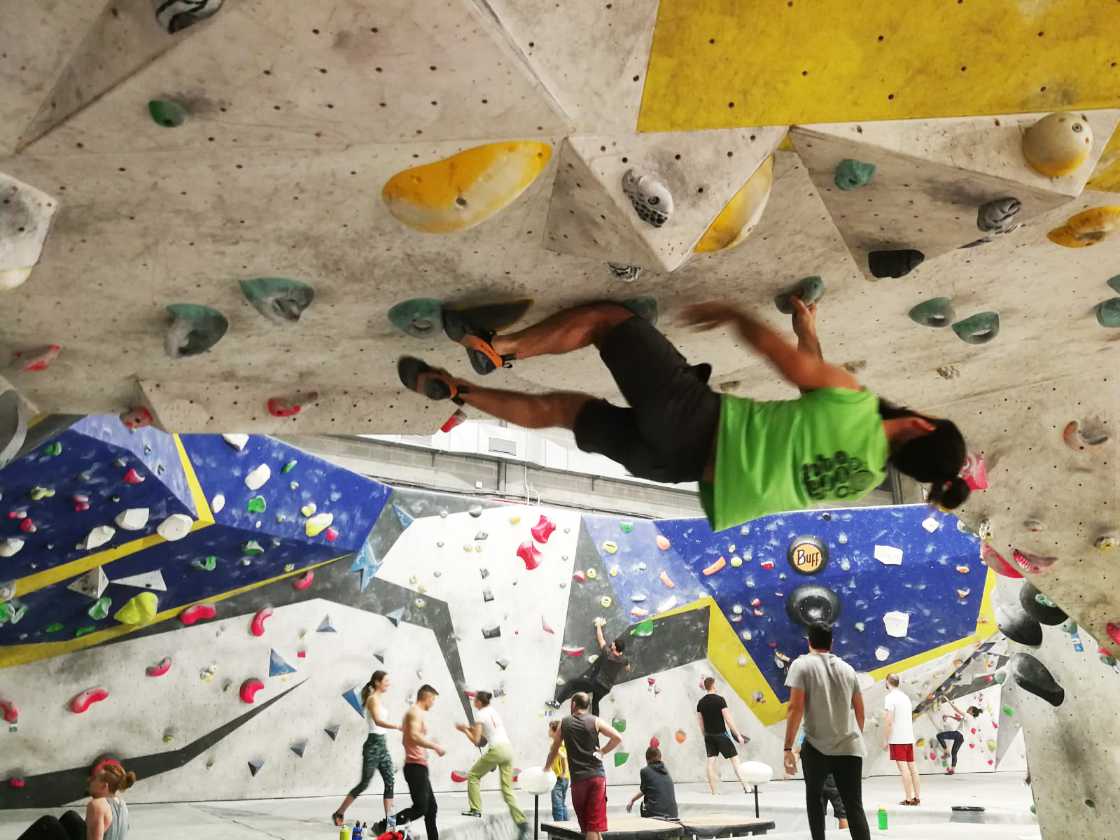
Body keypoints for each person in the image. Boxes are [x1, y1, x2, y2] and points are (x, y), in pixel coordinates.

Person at [397, 299, 970, 531]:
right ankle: (457, 392)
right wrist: (808, 329)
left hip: (695, 421)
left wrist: (731, 313)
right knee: (565, 412)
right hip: (676, 467)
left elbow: (784, 362)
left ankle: (504, 348)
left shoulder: (852, 405)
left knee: (609, 321)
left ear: (923, 424)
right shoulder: (861, 476)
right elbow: (819, 398)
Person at [783, 622, 870, 840]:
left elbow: (795, 708)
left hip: (816, 747)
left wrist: (788, 747)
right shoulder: (848, 670)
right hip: (849, 747)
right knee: (854, 806)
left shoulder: (801, 666)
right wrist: (853, 735)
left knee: (814, 801)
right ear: (832, 642)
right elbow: (860, 711)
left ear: (809, 641)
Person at [543, 692, 623, 840]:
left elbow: (554, 749)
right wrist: (603, 751)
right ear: (588, 706)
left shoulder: (565, 722)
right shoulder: (595, 721)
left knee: (590, 826)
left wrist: (546, 768)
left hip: (579, 781)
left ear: (573, 704)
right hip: (597, 778)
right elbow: (617, 737)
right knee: (593, 825)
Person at [374, 684, 445, 839]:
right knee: (420, 808)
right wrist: (434, 746)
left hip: (420, 766)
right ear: (427, 697)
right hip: (414, 767)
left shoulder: (417, 713)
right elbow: (413, 736)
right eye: (433, 699)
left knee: (431, 809)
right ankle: (382, 825)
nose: (433, 703)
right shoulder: (414, 713)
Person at [456, 691, 529, 839]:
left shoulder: (480, 714)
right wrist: (470, 728)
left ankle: (475, 809)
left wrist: (464, 730)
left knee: (473, 775)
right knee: (507, 789)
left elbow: (478, 741)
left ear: (479, 702)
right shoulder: (493, 711)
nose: (473, 702)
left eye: (474, 700)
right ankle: (521, 821)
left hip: (497, 750)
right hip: (508, 749)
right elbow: (488, 732)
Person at [334, 670, 399, 826]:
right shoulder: (372, 700)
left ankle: (390, 823)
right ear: (377, 682)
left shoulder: (379, 699)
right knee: (364, 783)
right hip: (372, 747)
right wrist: (398, 726)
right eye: (386, 681)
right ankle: (339, 812)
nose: (388, 684)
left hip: (382, 745)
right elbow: (377, 721)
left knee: (390, 781)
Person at [19, 761, 135, 840]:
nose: (89, 780)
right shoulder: (122, 804)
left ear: (104, 786)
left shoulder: (97, 805)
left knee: (48, 823)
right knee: (71, 817)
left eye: (94, 779)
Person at [554, 618, 630, 716]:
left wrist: (598, 625)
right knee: (595, 703)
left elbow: (600, 638)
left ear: (615, 647)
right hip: (606, 688)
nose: (612, 644)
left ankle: (557, 702)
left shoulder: (607, 653)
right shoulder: (624, 660)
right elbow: (627, 668)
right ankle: (596, 726)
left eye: (613, 644)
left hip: (596, 683)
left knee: (572, 683)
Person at [695, 676, 753, 795]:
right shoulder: (720, 700)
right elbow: (728, 719)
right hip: (721, 735)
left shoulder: (700, 703)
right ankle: (747, 788)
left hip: (709, 736)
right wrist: (738, 735)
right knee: (736, 761)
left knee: (711, 763)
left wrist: (704, 735)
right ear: (713, 686)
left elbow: (700, 723)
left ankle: (714, 791)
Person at [792, 731, 848, 831]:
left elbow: (797, 751)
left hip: (815, 780)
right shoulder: (834, 729)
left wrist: (792, 763)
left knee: (818, 816)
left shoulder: (807, 732)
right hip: (834, 780)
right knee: (842, 815)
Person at [882, 673, 919, 805]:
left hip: (897, 739)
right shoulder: (905, 697)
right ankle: (917, 797)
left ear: (887, 682)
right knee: (913, 768)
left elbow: (888, 721)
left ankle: (908, 799)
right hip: (909, 737)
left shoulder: (890, 698)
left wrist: (886, 740)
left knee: (904, 770)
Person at [626, 747, 678, 820]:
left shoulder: (645, 771)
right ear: (660, 757)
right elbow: (647, 789)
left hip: (655, 815)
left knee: (643, 804)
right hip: (673, 814)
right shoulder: (666, 770)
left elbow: (644, 790)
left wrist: (632, 801)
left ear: (647, 759)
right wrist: (633, 800)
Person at [931, 697, 981, 775]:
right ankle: (952, 770)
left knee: (939, 736)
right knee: (954, 753)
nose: (968, 709)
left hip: (958, 734)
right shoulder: (971, 718)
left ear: (972, 712)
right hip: (961, 738)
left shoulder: (968, 715)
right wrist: (949, 716)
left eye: (969, 708)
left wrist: (948, 700)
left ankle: (946, 751)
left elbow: (956, 709)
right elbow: (959, 719)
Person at [548, 720, 571, 821]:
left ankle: (559, 830)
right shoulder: (561, 743)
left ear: (555, 731)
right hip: (564, 778)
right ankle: (567, 827)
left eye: (549, 729)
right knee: (562, 804)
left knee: (557, 807)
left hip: (559, 779)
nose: (548, 731)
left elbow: (564, 757)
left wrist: (563, 772)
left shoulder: (558, 745)